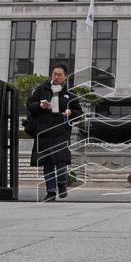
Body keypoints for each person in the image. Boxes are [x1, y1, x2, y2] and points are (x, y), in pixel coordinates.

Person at [26, 64, 83, 201]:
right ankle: (51, 192)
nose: (56, 77)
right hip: (44, 132)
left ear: (65, 76)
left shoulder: (71, 93)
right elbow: (30, 104)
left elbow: (79, 112)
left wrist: (71, 112)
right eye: (54, 74)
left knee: (61, 161)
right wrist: (40, 105)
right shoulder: (42, 89)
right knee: (48, 163)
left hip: (61, 132)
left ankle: (62, 184)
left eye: (59, 74)